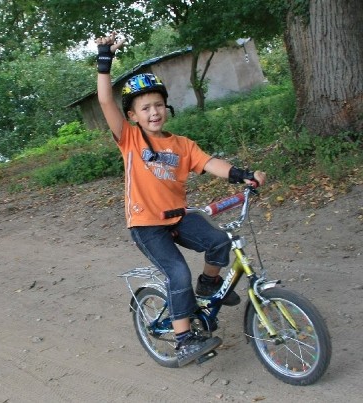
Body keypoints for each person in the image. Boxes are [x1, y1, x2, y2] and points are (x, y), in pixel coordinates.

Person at [95, 33, 266, 367]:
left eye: (158, 104)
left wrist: (241, 174)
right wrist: (104, 60)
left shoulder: (182, 145)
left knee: (218, 241)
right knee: (176, 274)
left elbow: (210, 163)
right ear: (132, 116)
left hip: (176, 215)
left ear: (166, 107)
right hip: (146, 224)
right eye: (145, 108)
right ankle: (185, 339)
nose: (154, 111)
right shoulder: (129, 139)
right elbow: (104, 102)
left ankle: (209, 285)